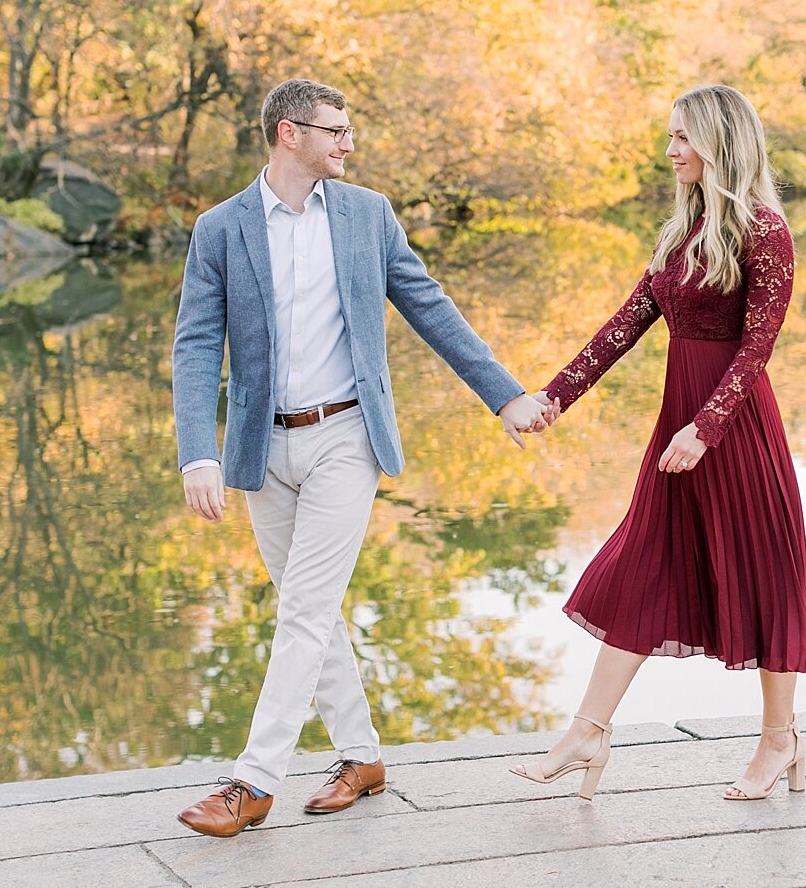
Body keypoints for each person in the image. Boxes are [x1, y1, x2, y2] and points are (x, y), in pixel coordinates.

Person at [172, 78, 550, 837]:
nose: (349, 143)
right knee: (307, 611)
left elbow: (429, 305)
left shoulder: (366, 214)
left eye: (349, 130)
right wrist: (196, 454)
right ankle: (362, 756)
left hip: (347, 438)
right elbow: (193, 344)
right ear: (288, 133)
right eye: (334, 130)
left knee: (306, 611)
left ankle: (251, 782)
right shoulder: (221, 229)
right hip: (258, 447)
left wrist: (502, 394)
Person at [510, 84, 806, 802]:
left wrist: (706, 428)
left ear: (720, 143)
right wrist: (554, 396)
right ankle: (588, 730)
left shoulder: (765, 231)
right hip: (677, 428)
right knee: (642, 563)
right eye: (671, 137)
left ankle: (780, 741)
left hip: (732, 430)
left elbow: (757, 348)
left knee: (765, 574)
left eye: (682, 137)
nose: (670, 150)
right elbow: (625, 324)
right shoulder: (682, 233)